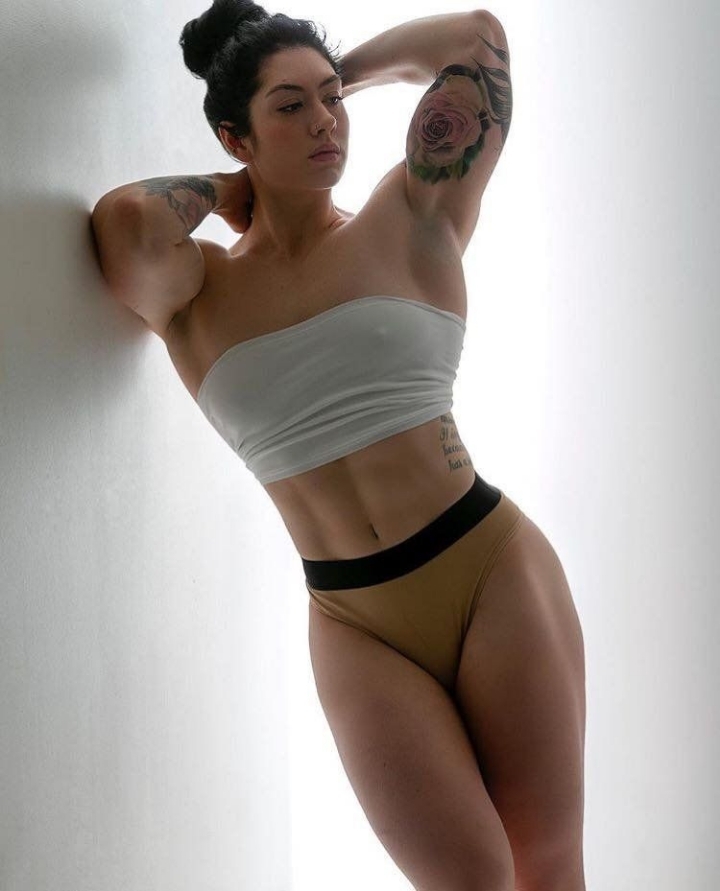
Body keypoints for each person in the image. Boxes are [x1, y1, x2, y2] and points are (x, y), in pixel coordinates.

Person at [91, 2, 587, 889]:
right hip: (357, 623)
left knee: (546, 866)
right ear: (234, 135)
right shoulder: (197, 292)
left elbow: (476, 38)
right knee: (471, 877)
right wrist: (232, 187)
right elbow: (124, 224)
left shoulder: (411, 212)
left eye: (332, 101)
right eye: (291, 107)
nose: (326, 121)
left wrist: (333, 74)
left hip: (490, 569)